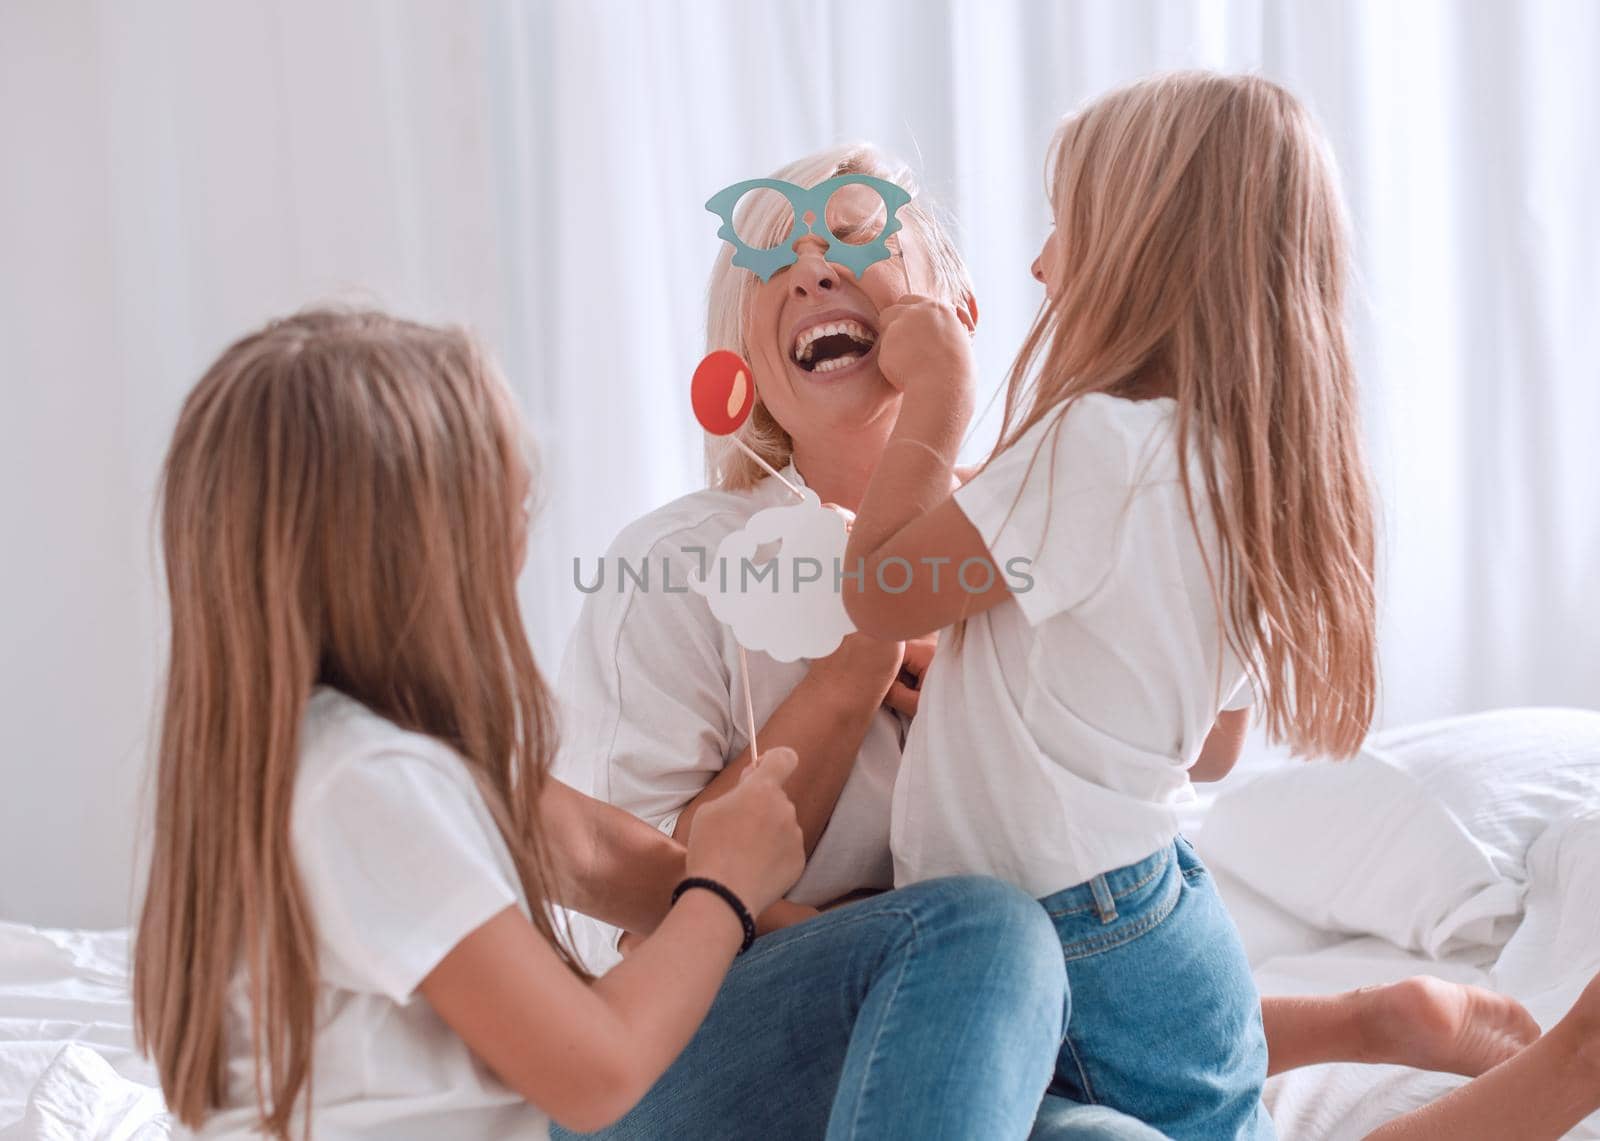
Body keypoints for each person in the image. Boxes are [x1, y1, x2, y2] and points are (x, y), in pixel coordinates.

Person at [556, 134, 1542, 1138]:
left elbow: (1164, 791)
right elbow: (622, 914)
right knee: (989, 933)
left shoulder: (1030, 528)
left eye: (855, 236)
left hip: (978, 1041)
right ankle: (1365, 1021)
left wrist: (1012, 694)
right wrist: (858, 671)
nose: (812, 267)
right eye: (773, 260)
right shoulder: (677, 571)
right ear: (744, 364)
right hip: (731, 1045)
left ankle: (1404, 1029)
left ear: (960, 318)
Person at [130, 310, 1073, 1141]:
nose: (525, 529)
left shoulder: (364, 752)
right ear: (404, 552)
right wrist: (727, 892)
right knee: (978, 933)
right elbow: (594, 1072)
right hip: (573, 1113)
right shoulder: (363, 784)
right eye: (500, 508)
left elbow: (599, 850)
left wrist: (812, 931)